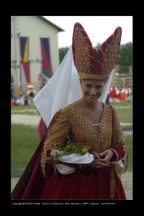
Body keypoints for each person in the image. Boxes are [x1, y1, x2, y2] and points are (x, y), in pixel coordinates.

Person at [11, 22, 127, 200]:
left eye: (98, 87)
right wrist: (87, 160)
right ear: (80, 84)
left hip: (106, 182)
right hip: (75, 184)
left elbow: (120, 145)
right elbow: (50, 150)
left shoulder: (110, 112)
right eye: (89, 86)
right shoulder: (66, 114)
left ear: (104, 86)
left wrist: (112, 153)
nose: (93, 91)